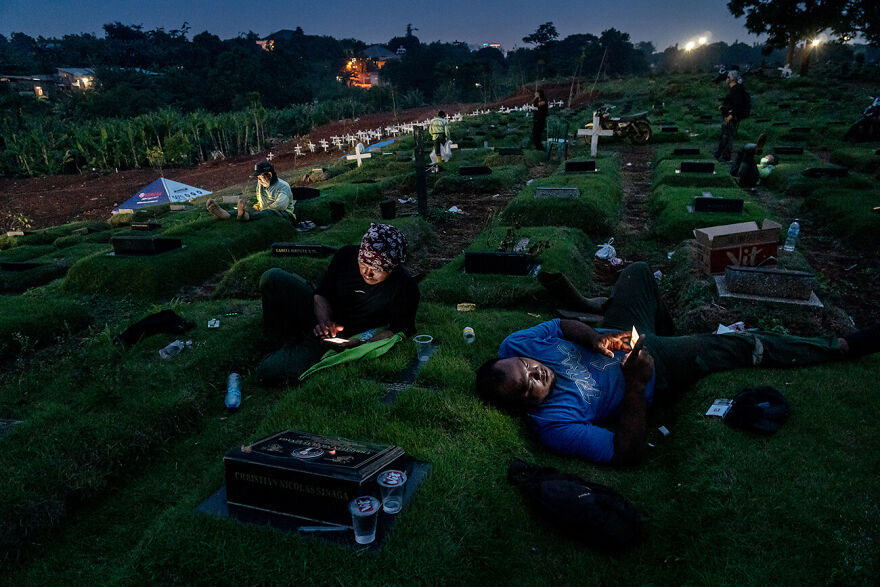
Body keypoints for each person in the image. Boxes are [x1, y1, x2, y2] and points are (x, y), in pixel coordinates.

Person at [476, 262, 880, 466]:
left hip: (620, 336)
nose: (537, 374)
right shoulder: (554, 426)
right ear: (525, 407)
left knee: (637, 273)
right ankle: (840, 346)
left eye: (528, 367)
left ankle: (667, 329)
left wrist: (595, 338)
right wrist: (636, 385)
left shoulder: (515, 343)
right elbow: (625, 452)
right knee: (738, 345)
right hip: (651, 369)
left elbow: (562, 326)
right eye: (530, 387)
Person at [257, 222, 420, 385]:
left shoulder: (405, 287)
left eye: (377, 269)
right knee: (272, 277)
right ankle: (282, 342)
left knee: (267, 370)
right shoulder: (346, 255)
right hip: (323, 320)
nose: (368, 273)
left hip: (339, 340)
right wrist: (325, 322)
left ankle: (295, 355)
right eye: (364, 264)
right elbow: (321, 294)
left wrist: (362, 344)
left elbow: (397, 330)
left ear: (392, 268)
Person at [206, 160, 294, 222]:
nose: (259, 180)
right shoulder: (261, 185)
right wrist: (254, 207)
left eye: (260, 177)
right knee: (247, 207)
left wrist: (260, 210)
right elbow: (260, 201)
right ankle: (226, 214)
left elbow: (280, 206)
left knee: (268, 213)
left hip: (284, 214)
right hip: (264, 210)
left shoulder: (283, 187)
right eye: (258, 178)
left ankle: (245, 216)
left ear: (269, 175)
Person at [713, 70, 749, 162]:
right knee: (725, 135)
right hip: (729, 115)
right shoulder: (734, 89)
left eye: (728, 77)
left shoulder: (737, 89)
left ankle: (725, 155)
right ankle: (720, 154)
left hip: (731, 117)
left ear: (732, 79)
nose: (727, 79)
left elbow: (737, 105)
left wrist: (731, 116)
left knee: (727, 136)